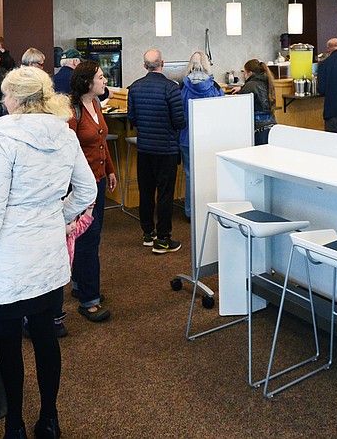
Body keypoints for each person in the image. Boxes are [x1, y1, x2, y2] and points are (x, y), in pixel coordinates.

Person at [0, 66, 95, 439]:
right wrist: (59, 217)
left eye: (5, 95)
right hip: (47, 254)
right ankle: (49, 419)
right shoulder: (65, 136)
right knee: (46, 337)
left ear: (17, 100)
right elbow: (86, 192)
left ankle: (15, 425)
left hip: (9, 258)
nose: (2, 102)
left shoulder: (5, 140)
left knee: (8, 345)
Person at [68, 60, 118, 322]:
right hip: (81, 186)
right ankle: (89, 300)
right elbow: (67, 152)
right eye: (100, 77)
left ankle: (79, 284)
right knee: (89, 238)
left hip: (97, 181)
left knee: (87, 236)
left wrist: (110, 170)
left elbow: (101, 142)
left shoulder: (96, 104)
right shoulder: (72, 111)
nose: (105, 80)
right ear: (88, 83)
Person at [126, 49, 185, 253]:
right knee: (165, 195)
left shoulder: (134, 87)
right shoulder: (171, 88)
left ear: (144, 66)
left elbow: (132, 119)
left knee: (146, 192)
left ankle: (147, 234)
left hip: (144, 149)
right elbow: (179, 121)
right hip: (166, 149)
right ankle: (163, 239)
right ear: (163, 63)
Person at [178, 51, 223, 219]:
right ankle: (210, 210)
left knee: (190, 175)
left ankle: (191, 212)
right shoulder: (215, 87)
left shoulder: (182, 86)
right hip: (209, 138)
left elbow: (178, 112)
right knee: (211, 173)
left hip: (187, 137)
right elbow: (222, 111)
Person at [233, 58, 277, 146]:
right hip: (272, 125)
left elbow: (241, 107)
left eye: (244, 73)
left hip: (258, 128)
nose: (244, 76)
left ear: (250, 73)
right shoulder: (268, 82)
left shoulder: (250, 86)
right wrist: (242, 88)